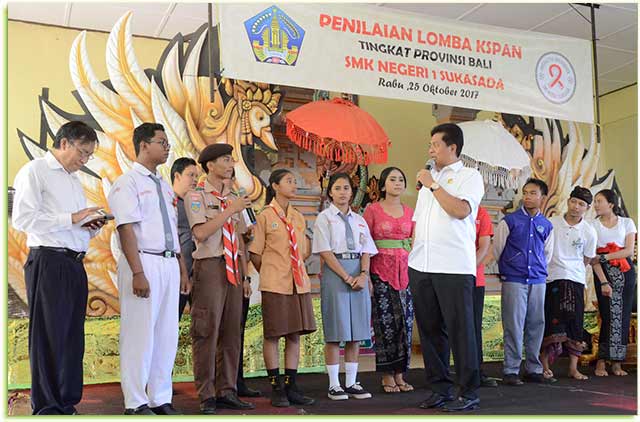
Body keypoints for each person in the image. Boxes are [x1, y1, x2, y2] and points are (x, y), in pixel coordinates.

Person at [12, 121, 105, 415]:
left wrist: (90, 226)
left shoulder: (73, 180)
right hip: (48, 260)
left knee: (71, 335)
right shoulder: (35, 171)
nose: (84, 160)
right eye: (82, 152)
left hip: (74, 262)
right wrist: (72, 217)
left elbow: (74, 225)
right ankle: (47, 406)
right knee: (49, 335)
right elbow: (23, 220)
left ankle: (66, 401)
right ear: (64, 143)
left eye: (89, 155)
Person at [107, 123, 190, 415]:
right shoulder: (126, 182)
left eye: (167, 142)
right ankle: (135, 401)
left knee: (167, 334)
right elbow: (126, 229)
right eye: (161, 142)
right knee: (139, 334)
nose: (167, 147)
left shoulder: (164, 185)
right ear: (144, 145)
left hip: (168, 262)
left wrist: (181, 268)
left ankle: (160, 397)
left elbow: (172, 231)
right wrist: (138, 272)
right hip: (143, 261)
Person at [409, 123, 484, 412]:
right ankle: (439, 389)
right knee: (429, 331)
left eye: (435, 144)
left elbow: (460, 211)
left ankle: (469, 392)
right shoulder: (429, 182)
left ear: (452, 147)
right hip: (421, 265)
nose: (430, 149)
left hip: (453, 266)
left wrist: (433, 184)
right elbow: (418, 223)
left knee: (460, 330)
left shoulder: (469, 176)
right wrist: (412, 257)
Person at [182, 143, 255, 414]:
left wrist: (246, 274)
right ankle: (207, 393)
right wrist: (229, 210)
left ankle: (228, 390)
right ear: (209, 165)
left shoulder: (237, 195)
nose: (230, 163)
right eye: (225, 159)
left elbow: (244, 236)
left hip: (235, 264)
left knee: (231, 330)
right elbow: (200, 234)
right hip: (210, 265)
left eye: (231, 159)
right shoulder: (197, 196)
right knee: (207, 329)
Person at [249, 169, 317, 407]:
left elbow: (305, 250)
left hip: (298, 284)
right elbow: (255, 253)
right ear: (275, 186)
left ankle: (292, 385)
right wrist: (271, 271)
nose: (294, 185)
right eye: (289, 181)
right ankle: (276, 386)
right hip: (275, 283)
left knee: (294, 334)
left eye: (295, 181)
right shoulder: (265, 216)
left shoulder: (298, 217)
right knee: (274, 334)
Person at [312, 172, 378, 401]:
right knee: (335, 330)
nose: (342, 192)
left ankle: (351, 382)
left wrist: (363, 274)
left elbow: (367, 249)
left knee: (356, 331)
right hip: (335, 272)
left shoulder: (359, 220)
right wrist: (346, 277)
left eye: (346, 188)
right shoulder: (324, 218)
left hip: (357, 272)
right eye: (338, 188)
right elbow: (325, 252)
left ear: (353, 192)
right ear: (330, 192)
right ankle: (334, 384)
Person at [494, 178, 554, 387]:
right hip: (513, 278)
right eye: (525, 192)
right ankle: (511, 370)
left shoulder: (546, 225)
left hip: (538, 280)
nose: (527, 196)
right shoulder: (508, 221)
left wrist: (538, 271)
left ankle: (533, 368)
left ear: (542, 197)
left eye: (533, 193)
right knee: (513, 324)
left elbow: (547, 254)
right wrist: (507, 269)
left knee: (536, 324)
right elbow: (497, 249)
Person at [540, 186, 603, 381]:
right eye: (574, 202)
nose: (576, 207)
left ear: (587, 208)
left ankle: (573, 368)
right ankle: (544, 366)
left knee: (575, 322)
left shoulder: (589, 231)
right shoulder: (552, 223)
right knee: (551, 320)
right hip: (553, 278)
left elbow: (586, 259)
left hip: (575, 280)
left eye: (581, 204)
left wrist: (572, 270)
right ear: (568, 201)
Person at [362, 167, 415, 394]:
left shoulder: (411, 211)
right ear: (383, 185)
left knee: (406, 324)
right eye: (392, 179)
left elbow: (416, 241)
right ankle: (386, 375)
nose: (397, 183)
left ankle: (400, 374)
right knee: (385, 324)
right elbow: (364, 243)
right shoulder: (372, 210)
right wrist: (366, 276)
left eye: (401, 179)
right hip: (380, 271)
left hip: (407, 272)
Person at [591, 189, 637, 377]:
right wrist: (603, 281)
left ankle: (617, 362)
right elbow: (593, 258)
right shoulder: (592, 225)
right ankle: (601, 361)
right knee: (608, 316)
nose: (595, 205)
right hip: (603, 275)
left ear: (610, 204)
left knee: (622, 317)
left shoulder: (626, 223)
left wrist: (605, 256)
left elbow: (628, 251)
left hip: (625, 274)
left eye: (599, 201)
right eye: (594, 201)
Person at [170, 157, 198, 319]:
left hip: (195, 275)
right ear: (177, 176)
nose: (195, 180)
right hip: (177, 275)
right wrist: (183, 273)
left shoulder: (194, 204)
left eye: (196, 176)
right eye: (190, 175)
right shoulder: (168, 203)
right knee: (171, 322)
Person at [474, 205, 498, 388]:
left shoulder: (480, 212)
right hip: (445, 278)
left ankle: (476, 371)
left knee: (473, 329)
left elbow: (486, 250)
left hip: (474, 280)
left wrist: (466, 270)